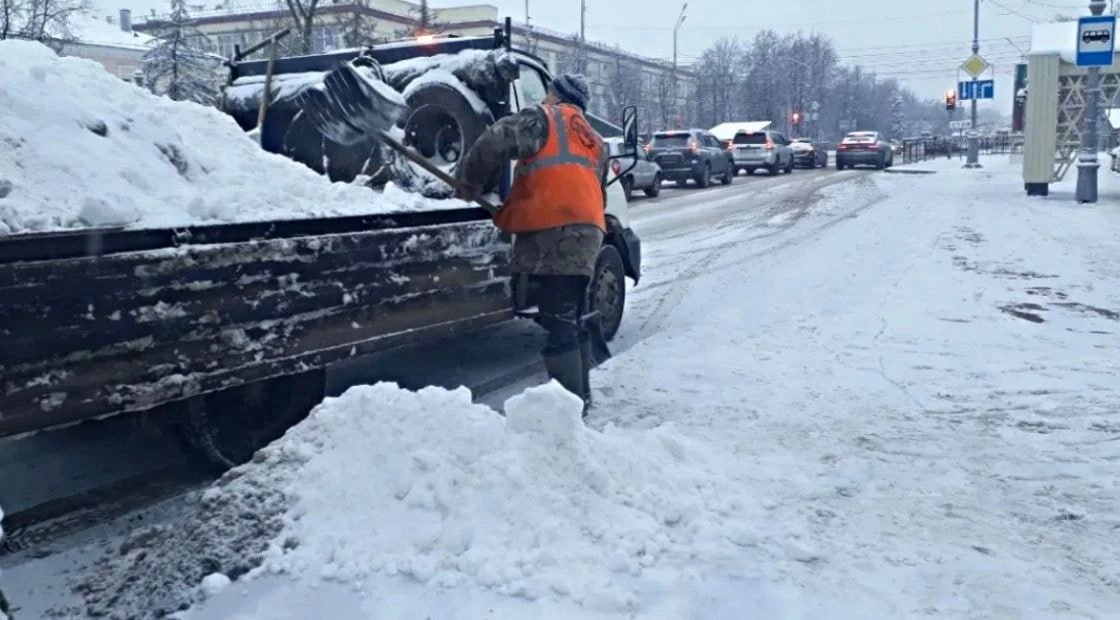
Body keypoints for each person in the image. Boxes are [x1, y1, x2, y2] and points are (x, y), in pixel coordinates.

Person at [455, 73, 606, 415]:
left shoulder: (544, 117)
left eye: (549, 91)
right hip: (589, 230)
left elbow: (495, 139)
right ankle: (580, 399)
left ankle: (569, 412)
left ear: (556, 95)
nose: (546, 95)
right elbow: (594, 187)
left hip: (555, 228)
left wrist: (470, 181)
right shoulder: (596, 139)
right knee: (571, 314)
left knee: (557, 319)